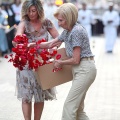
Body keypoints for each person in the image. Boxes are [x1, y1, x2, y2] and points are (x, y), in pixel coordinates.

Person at [38, 3, 97, 120]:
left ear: (69, 18)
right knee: (78, 110)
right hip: (82, 70)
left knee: (69, 106)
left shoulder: (76, 31)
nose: (58, 24)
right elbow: (51, 43)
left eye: (60, 20)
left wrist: (60, 62)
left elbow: (75, 59)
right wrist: (32, 46)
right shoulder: (68, 31)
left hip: (84, 69)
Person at [12, 0, 59, 120]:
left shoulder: (47, 22)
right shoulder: (24, 23)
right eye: (28, 11)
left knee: (39, 94)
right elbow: (17, 38)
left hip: (41, 63)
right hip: (27, 63)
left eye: (33, 11)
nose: (31, 14)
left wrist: (51, 50)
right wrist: (18, 42)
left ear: (39, 10)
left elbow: (58, 38)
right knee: (26, 95)